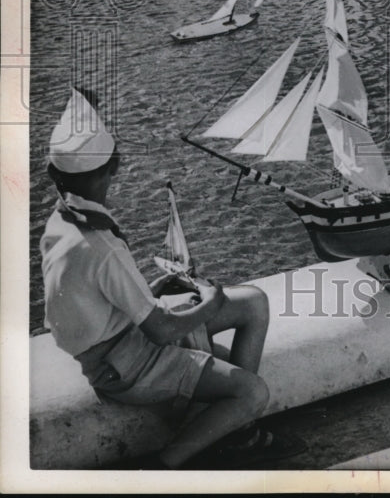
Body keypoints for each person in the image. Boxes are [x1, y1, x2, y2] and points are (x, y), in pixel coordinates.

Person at [40, 88, 273, 469]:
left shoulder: (60, 223)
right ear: (113, 169)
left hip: (116, 345)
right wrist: (210, 302)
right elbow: (161, 332)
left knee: (253, 303)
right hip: (126, 364)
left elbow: (93, 304)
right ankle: (167, 465)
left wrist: (150, 293)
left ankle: (231, 429)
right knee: (252, 392)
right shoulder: (101, 244)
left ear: (53, 175)